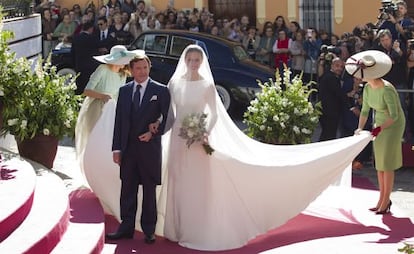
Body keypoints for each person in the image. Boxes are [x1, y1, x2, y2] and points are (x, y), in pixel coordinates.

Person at [159, 44, 371, 251]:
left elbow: (214, 113)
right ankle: (176, 228)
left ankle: (194, 229)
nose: (193, 63)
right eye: (190, 60)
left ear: (202, 62)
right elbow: (170, 114)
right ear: (184, 61)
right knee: (178, 182)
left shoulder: (207, 85)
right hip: (179, 140)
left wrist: (205, 131)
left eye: (197, 60)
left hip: (199, 142)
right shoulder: (175, 83)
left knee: (197, 185)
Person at [106, 53, 171, 244]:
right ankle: (125, 228)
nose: (142, 71)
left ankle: (149, 230)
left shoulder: (161, 90)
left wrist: (153, 133)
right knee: (127, 190)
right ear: (131, 70)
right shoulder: (124, 91)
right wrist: (116, 149)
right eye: (138, 68)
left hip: (149, 150)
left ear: (149, 68)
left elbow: (169, 119)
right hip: (127, 151)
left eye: (145, 67)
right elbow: (119, 123)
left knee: (149, 192)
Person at [346, 50, 406, 214]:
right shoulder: (366, 89)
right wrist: (360, 128)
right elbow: (364, 111)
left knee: (387, 164)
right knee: (379, 163)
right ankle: (381, 199)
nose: (359, 76)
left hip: (392, 126)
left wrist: (378, 129)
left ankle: (386, 201)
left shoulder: (387, 89)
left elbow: (394, 116)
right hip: (378, 124)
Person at [75, 45, 136, 173]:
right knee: (94, 139)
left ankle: (104, 169)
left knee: (110, 141)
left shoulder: (122, 74)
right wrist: (103, 96)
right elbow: (87, 91)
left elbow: (120, 94)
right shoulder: (102, 69)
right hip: (97, 108)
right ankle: (91, 168)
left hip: (113, 110)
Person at [318, 58, 358, 141]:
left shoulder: (328, 75)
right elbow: (339, 94)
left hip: (327, 112)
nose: (339, 68)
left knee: (327, 135)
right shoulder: (331, 78)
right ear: (332, 65)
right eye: (337, 66)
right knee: (328, 136)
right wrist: (350, 94)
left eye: (341, 67)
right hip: (329, 113)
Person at [71, 20, 99, 95]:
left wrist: (74, 64)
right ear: (90, 29)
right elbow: (99, 45)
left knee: (79, 84)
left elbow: (72, 52)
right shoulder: (91, 38)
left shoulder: (76, 38)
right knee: (88, 84)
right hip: (89, 66)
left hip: (79, 65)